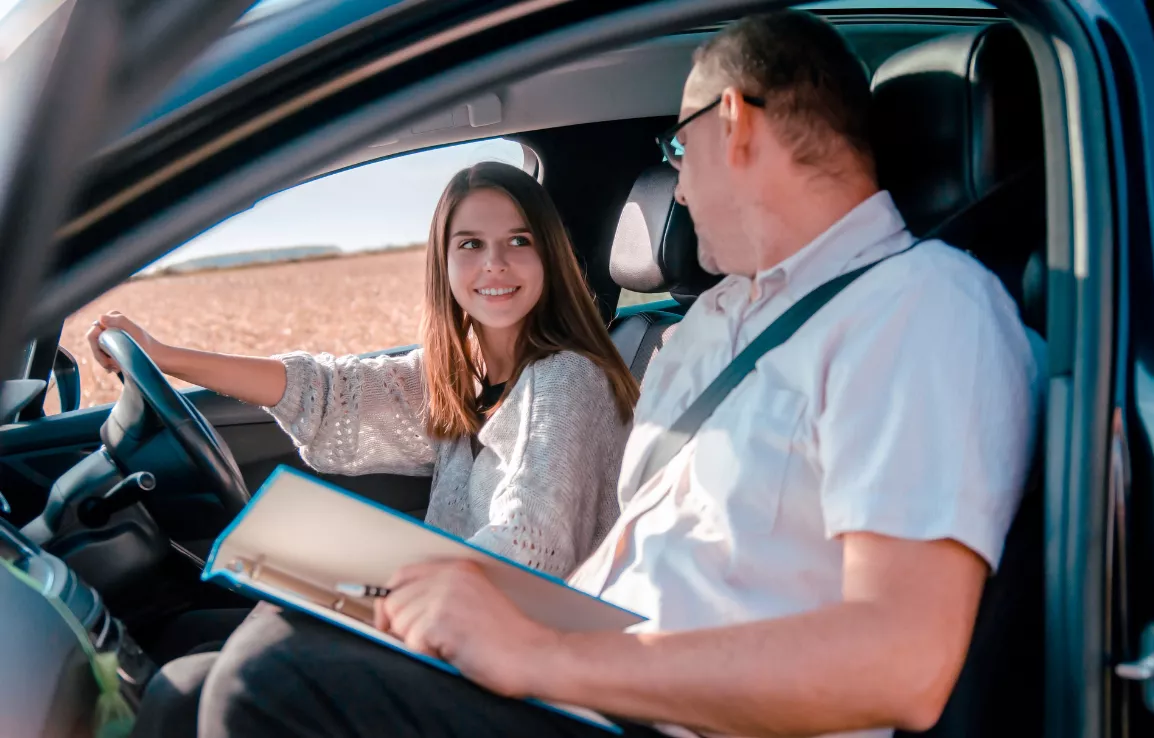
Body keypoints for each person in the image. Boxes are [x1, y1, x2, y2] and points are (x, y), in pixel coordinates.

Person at [193, 10, 1045, 738]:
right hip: (598, 684)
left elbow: (903, 660)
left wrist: (545, 657)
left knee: (267, 681)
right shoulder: (710, 325)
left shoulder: (926, 308)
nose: (676, 184)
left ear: (737, 123)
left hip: (669, 715)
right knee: (234, 656)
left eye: (679, 148)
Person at [90, 163, 639, 736]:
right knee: (185, 683)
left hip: (528, 669)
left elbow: (529, 549)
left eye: (518, 242)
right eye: (471, 244)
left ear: (548, 254)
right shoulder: (460, 375)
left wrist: (363, 584)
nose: (494, 264)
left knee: (227, 673)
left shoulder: (568, 379)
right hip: (460, 630)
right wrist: (165, 355)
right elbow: (331, 393)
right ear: (444, 263)